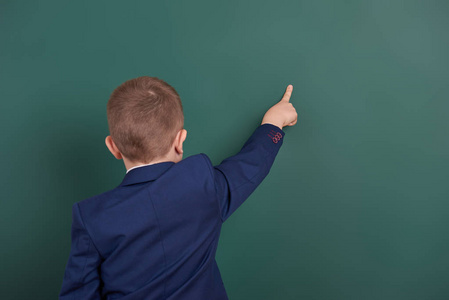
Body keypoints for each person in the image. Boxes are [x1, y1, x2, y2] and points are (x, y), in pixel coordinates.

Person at [59, 76, 298, 299]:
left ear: (113, 147)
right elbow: (250, 166)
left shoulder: (92, 217)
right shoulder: (202, 184)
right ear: (180, 140)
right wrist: (273, 123)